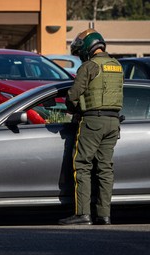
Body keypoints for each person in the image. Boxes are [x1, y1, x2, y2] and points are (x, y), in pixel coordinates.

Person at [59, 28, 124, 225]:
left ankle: (83, 214)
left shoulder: (89, 66)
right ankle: (104, 215)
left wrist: (74, 109)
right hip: (113, 122)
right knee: (105, 169)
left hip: (93, 121)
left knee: (82, 165)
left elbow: (72, 95)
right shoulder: (117, 65)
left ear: (88, 48)